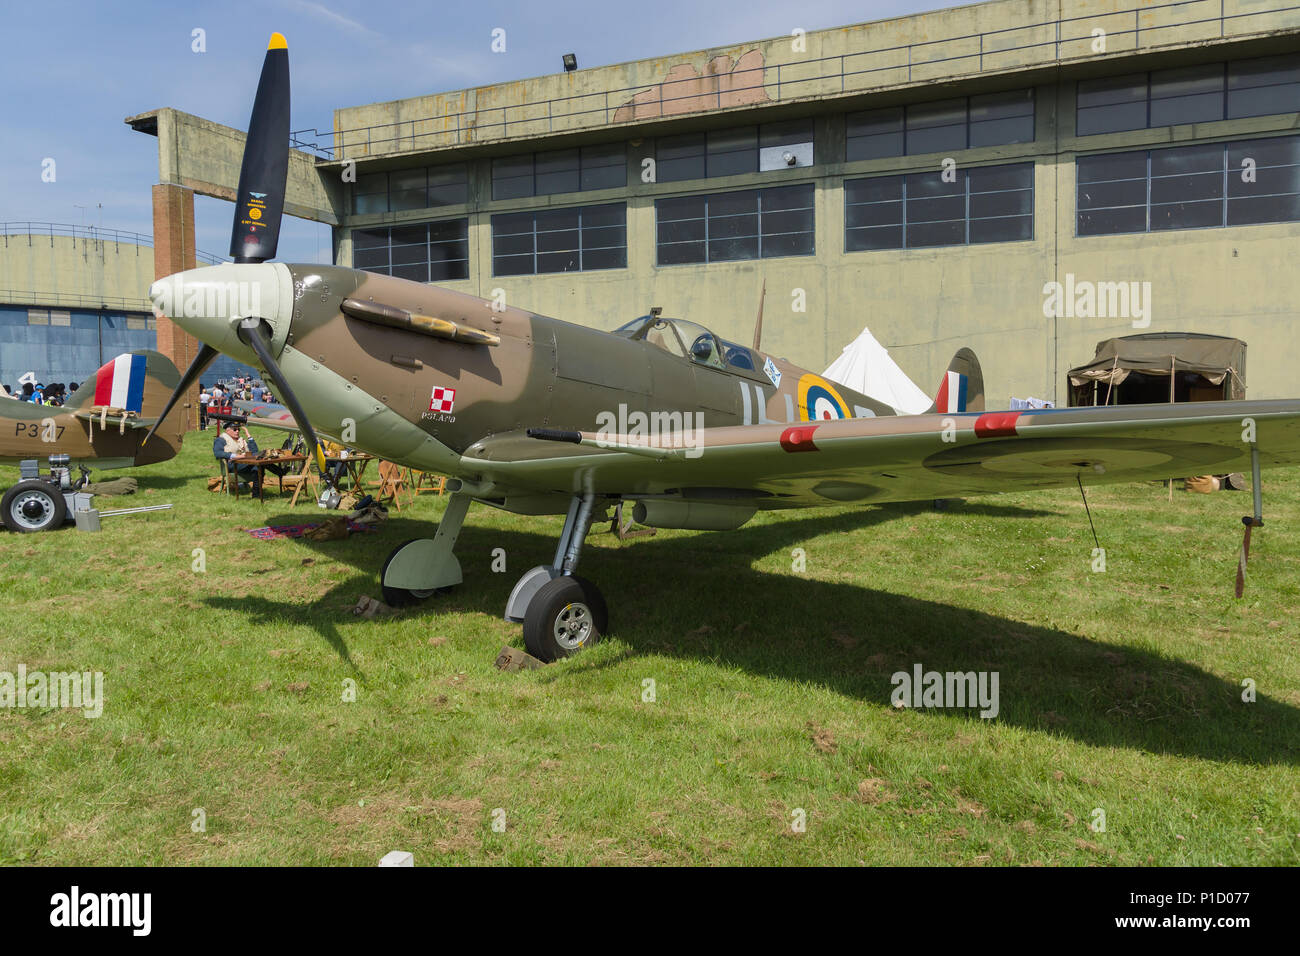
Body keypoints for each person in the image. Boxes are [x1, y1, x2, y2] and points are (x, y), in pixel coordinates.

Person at [213, 421, 285, 496]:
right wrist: (236, 456)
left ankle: (256, 494)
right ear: (227, 431)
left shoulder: (240, 440)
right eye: (235, 429)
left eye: (238, 429)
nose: (237, 431)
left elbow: (254, 451)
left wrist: (248, 436)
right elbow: (217, 453)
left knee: (257, 465)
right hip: (232, 465)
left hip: (245, 463)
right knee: (260, 457)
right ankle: (280, 471)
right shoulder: (221, 439)